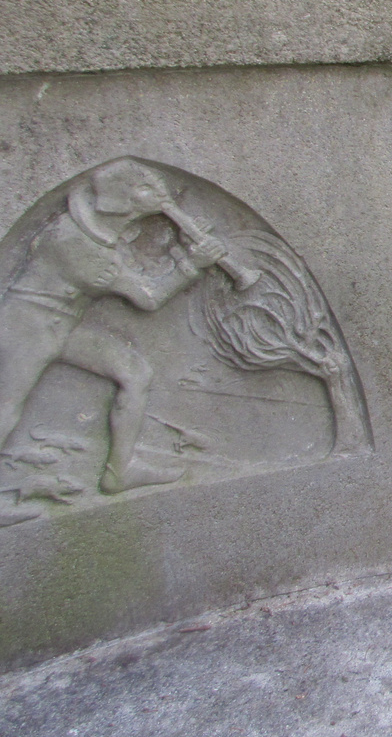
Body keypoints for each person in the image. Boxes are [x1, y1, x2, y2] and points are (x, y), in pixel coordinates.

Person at [0, 160, 227, 493]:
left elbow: (134, 267)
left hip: (62, 324)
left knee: (135, 373)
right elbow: (148, 297)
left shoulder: (101, 233)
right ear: (120, 200)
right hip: (28, 326)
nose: (162, 194)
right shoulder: (77, 243)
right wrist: (193, 263)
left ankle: (119, 472)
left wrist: (182, 248)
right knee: (7, 403)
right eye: (147, 188)